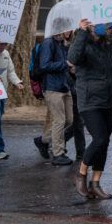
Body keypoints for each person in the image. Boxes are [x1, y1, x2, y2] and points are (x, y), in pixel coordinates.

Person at [69, 18, 112, 199]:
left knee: (105, 142)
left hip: (107, 100)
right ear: (89, 25)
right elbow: (73, 58)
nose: (102, 27)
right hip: (89, 101)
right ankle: (81, 173)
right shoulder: (82, 43)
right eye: (97, 24)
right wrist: (83, 32)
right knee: (99, 139)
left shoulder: (108, 45)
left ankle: (96, 183)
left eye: (105, 24)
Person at [40, 25, 74, 166]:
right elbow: (44, 65)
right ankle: (57, 153)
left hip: (64, 86)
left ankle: (42, 140)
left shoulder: (61, 44)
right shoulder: (48, 43)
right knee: (59, 121)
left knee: (69, 120)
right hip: (53, 88)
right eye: (67, 29)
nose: (69, 32)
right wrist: (64, 64)